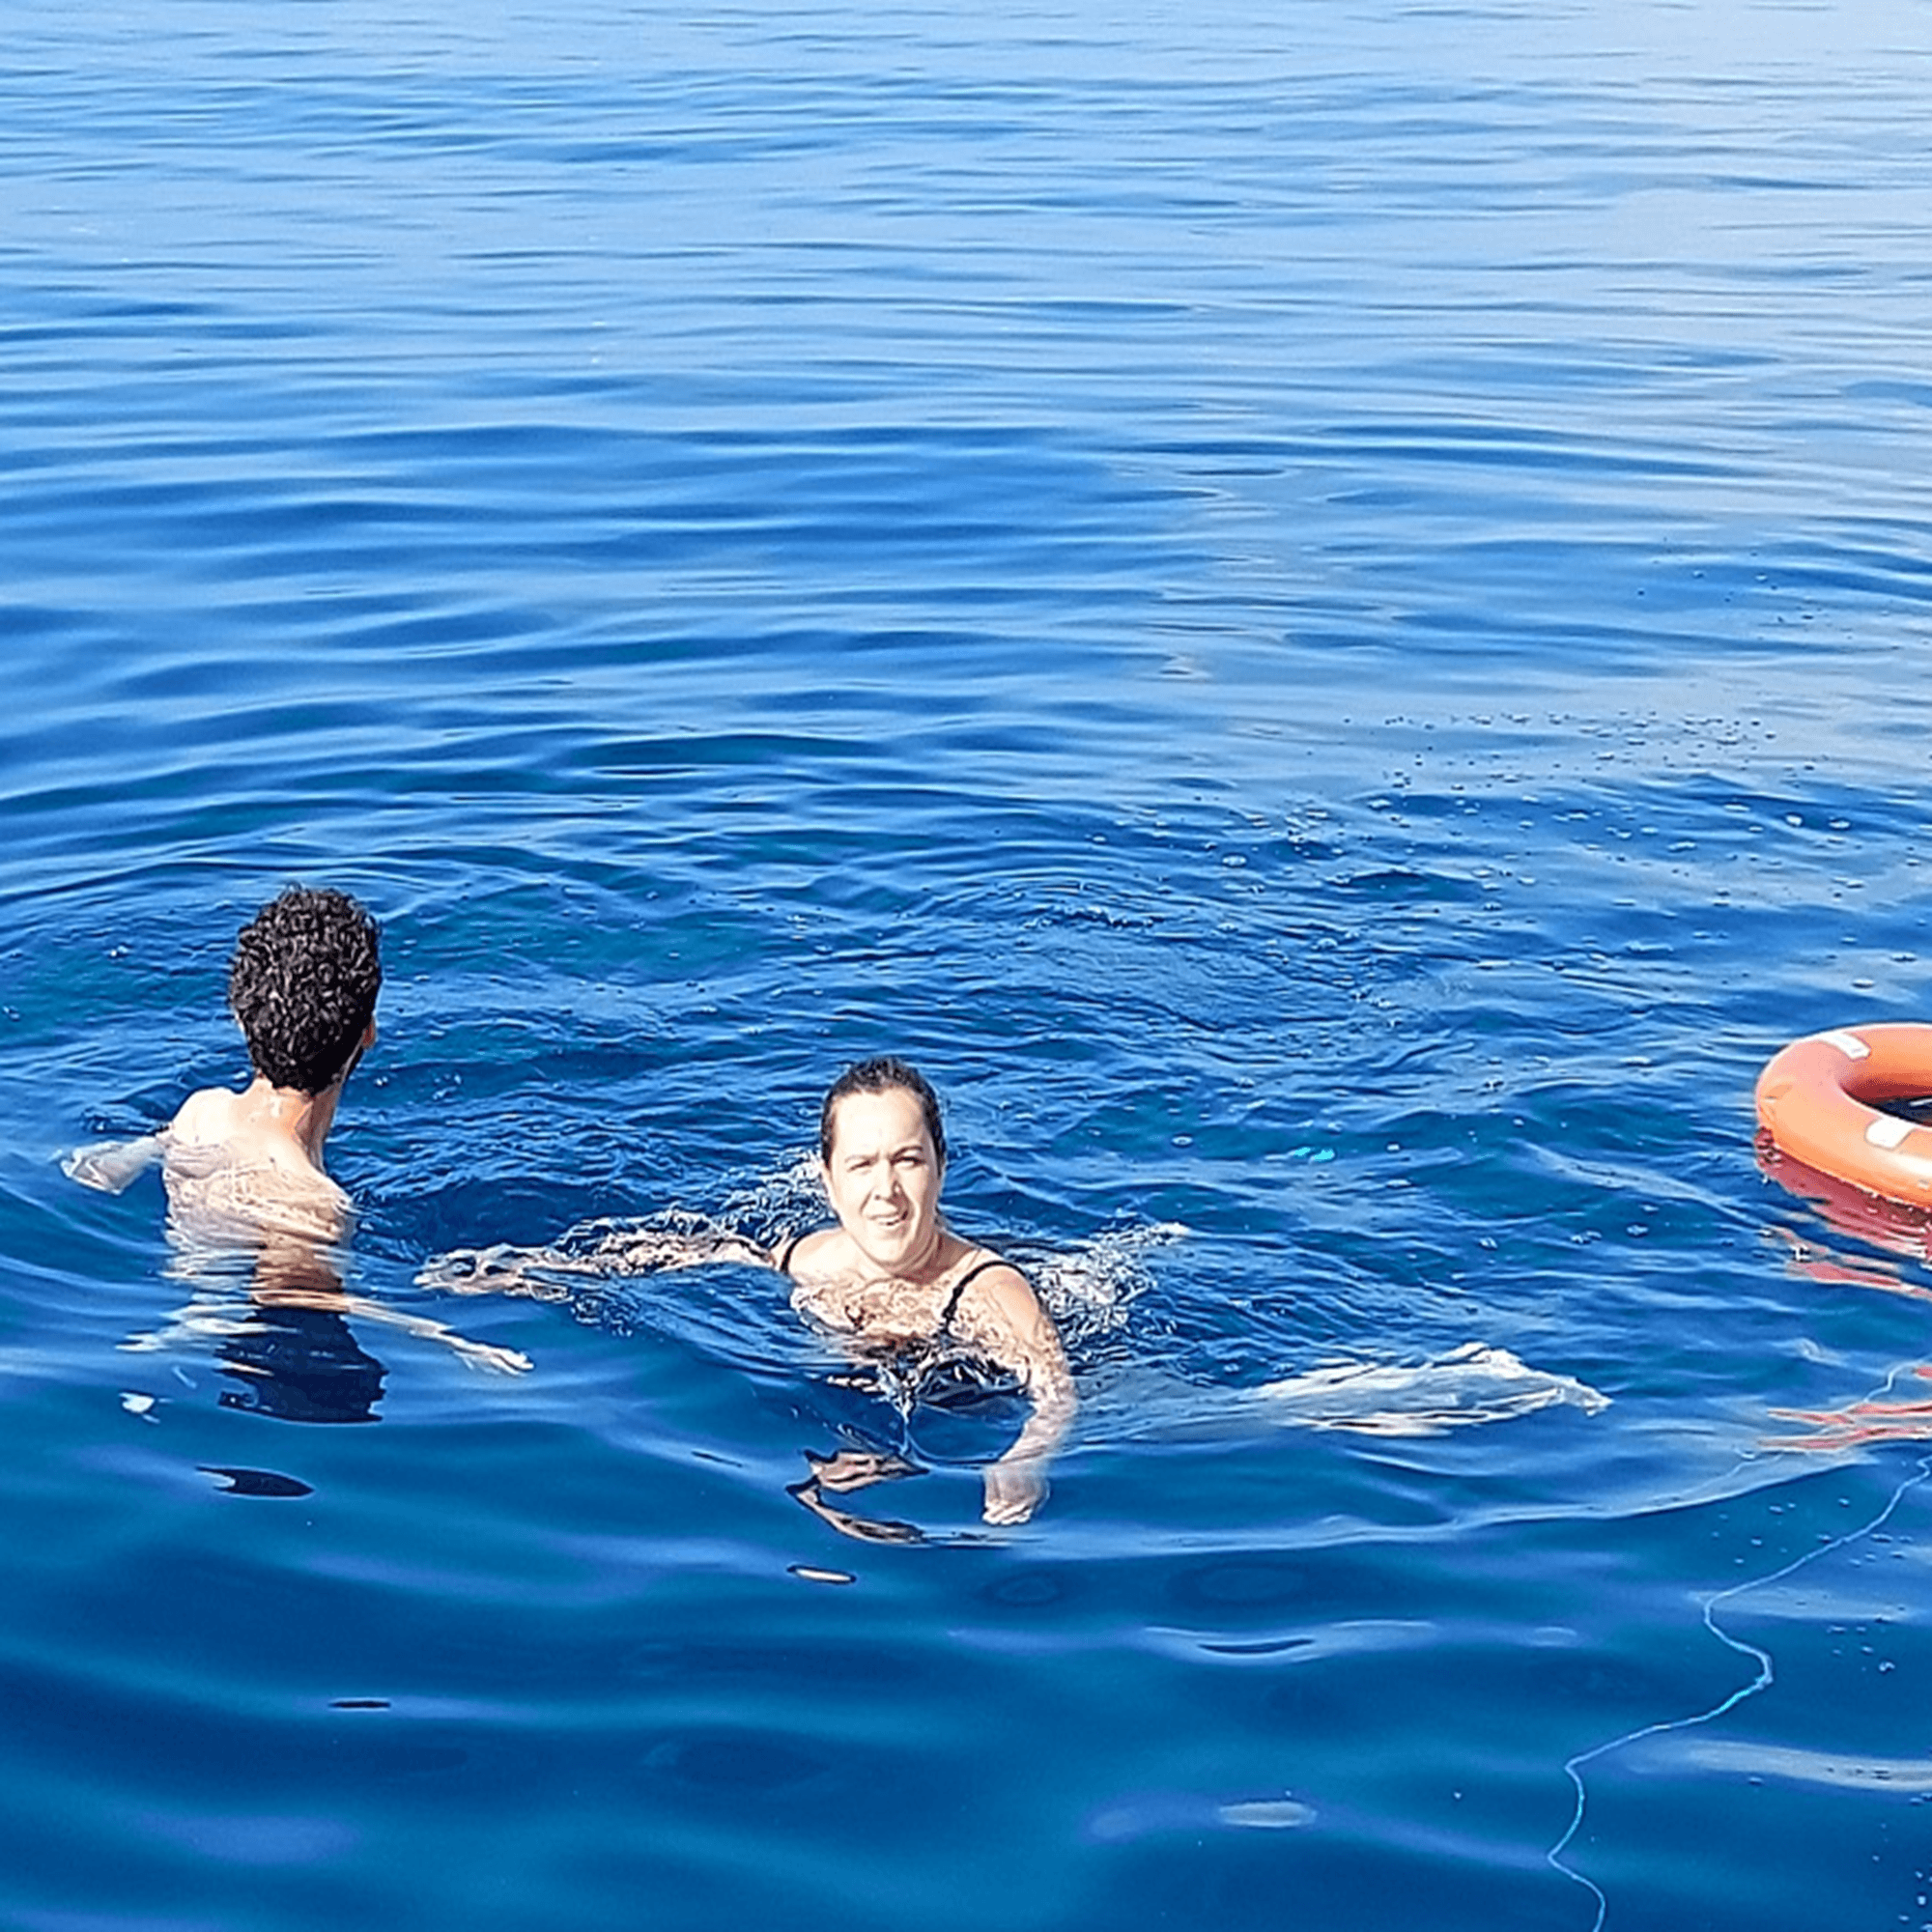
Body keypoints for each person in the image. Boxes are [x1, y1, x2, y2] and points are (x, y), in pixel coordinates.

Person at [426, 1056, 1076, 1524]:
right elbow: (685, 1253)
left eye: (908, 1161)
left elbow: (1056, 1394)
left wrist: (1023, 1460)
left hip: (953, 1414)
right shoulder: (809, 1258)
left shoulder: (989, 1292)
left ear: (941, 1167)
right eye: (861, 1165)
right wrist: (534, 1273)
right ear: (828, 1181)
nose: (886, 1190)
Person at [70, 886, 528, 1382]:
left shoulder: (201, 1110)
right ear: (368, 1033)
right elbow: (294, 1296)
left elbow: (128, 1159)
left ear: (241, 1019)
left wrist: (120, 1161)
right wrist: (447, 1338)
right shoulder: (312, 1204)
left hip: (173, 1322)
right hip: (202, 1342)